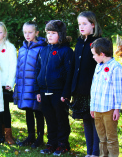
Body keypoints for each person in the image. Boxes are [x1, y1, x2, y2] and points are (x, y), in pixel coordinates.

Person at [34, 20, 73, 156]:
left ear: (60, 34)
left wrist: (66, 92)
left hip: (58, 92)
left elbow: (69, 73)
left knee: (60, 118)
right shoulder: (43, 50)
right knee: (49, 118)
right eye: (48, 33)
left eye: (53, 33)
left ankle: (63, 144)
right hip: (44, 90)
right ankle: (52, 143)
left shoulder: (66, 51)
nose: (49, 36)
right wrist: (38, 90)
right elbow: (38, 69)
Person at [68, 11, 102, 157]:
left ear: (92, 24)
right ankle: (89, 153)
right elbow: (75, 66)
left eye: (84, 24)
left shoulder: (98, 42)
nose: (81, 27)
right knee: (86, 120)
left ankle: (95, 152)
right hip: (79, 89)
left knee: (95, 121)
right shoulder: (80, 42)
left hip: (93, 89)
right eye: (79, 24)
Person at [14, 21, 46, 148]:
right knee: (28, 111)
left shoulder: (41, 48)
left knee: (38, 111)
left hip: (35, 86)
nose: (27, 35)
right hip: (23, 86)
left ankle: (40, 137)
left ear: (36, 33)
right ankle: (30, 136)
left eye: (30, 32)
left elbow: (42, 68)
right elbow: (19, 68)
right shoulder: (21, 49)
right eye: (25, 32)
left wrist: (39, 86)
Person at [90, 37, 122, 157]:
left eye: (94, 54)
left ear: (102, 54)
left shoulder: (116, 67)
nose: (93, 57)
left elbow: (118, 90)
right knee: (102, 139)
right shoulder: (98, 66)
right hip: (97, 109)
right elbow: (93, 88)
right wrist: (92, 107)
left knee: (111, 139)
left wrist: (116, 109)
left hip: (109, 110)